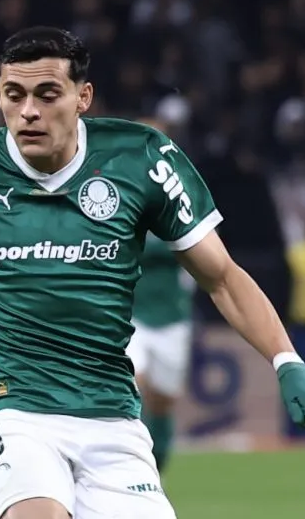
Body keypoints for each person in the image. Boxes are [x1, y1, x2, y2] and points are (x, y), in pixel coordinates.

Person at [0, 26, 305, 519]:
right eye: (14, 95)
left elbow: (222, 276)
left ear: (83, 96)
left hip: (110, 417)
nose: (29, 112)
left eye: (47, 94)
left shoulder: (141, 160)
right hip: (11, 408)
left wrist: (287, 362)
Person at [125, 142, 196, 474]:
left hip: (172, 317)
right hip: (131, 316)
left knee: (164, 401)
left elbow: (196, 247)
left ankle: (157, 473)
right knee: (132, 387)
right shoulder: (121, 197)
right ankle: (129, 470)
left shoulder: (184, 196)